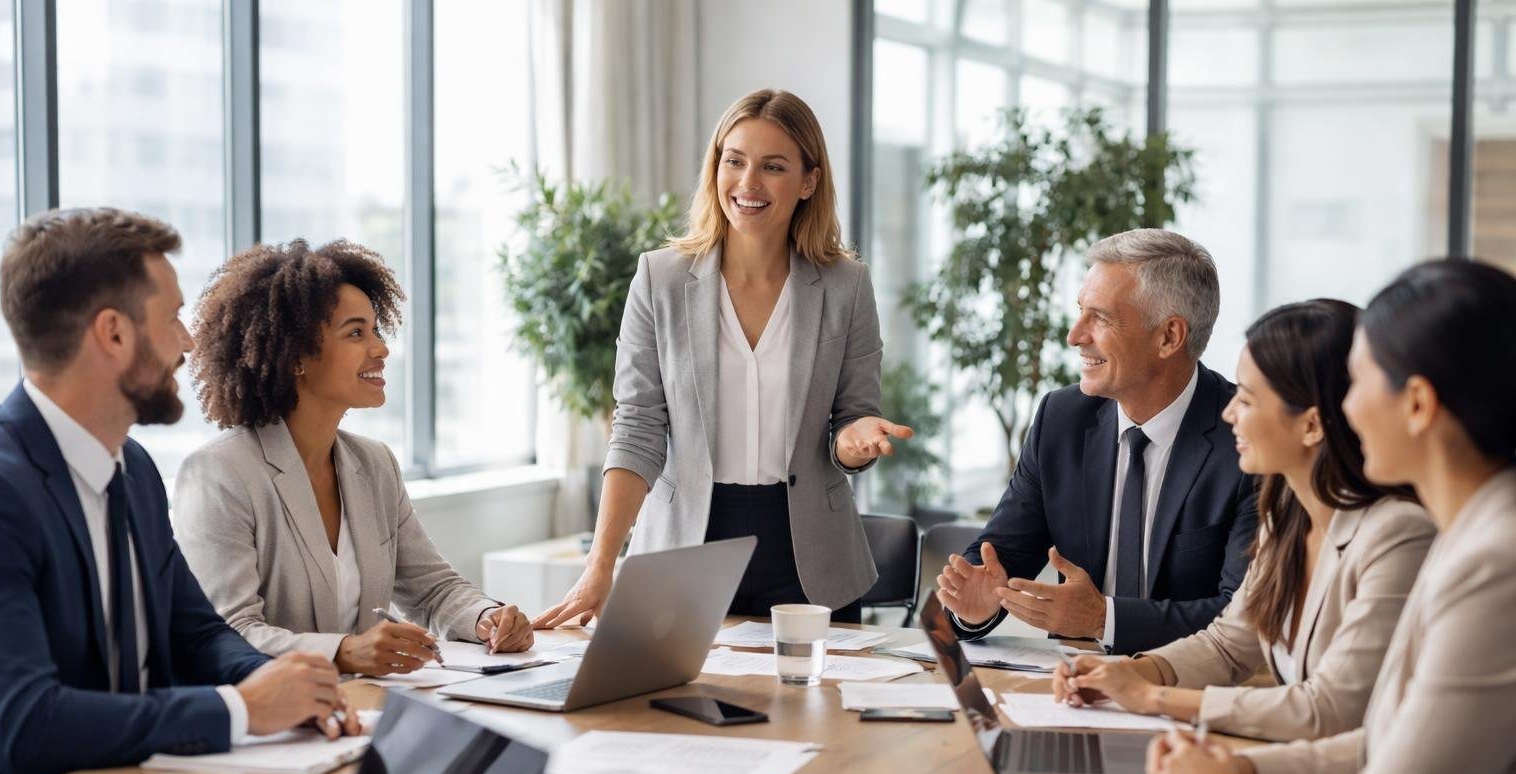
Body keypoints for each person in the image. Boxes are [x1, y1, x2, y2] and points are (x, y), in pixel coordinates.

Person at [1150, 259, 1516, 774]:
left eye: (1355, 384)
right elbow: (1385, 743)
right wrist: (1242, 773)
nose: (1342, 411)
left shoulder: (1491, 564)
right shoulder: (1469, 536)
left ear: (1417, 403)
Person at [0, 208, 355, 774]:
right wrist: (239, 708)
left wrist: (282, 684)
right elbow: (24, 723)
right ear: (114, 333)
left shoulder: (133, 470)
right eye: (174, 317)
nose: (187, 342)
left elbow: (198, 635)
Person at [533, 88, 911, 629]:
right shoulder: (659, 279)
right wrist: (601, 563)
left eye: (773, 166)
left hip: (811, 557)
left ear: (809, 181)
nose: (748, 183)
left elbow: (854, 419)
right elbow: (637, 428)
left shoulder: (846, 286)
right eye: (733, 161)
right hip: (687, 544)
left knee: (814, 712)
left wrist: (853, 444)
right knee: (675, 711)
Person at [1051, 300, 1434, 740]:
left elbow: (1330, 709)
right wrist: (1137, 673)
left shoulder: (1399, 535)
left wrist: (1154, 699)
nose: (1229, 412)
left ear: (1311, 425)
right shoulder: (1287, 517)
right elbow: (1229, 644)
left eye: (1247, 400)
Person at [173, 241, 532, 677]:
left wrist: (484, 618)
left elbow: (433, 590)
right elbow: (227, 632)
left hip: (361, 707)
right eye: (356, 333)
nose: (380, 349)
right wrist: (343, 651)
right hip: (276, 721)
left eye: (377, 330)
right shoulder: (220, 473)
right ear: (297, 357)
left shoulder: (374, 462)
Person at [936, 229, 1257, 654]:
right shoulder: (1062, 418)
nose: (1074, 335)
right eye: (1080, 311)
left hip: (1191, 689)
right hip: (1073, 685)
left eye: (1100, 317)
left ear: (1169, 337)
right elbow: (999, 557)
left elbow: (1243, 616)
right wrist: (973, 608)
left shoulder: (1248, 436)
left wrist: (1105, 620)